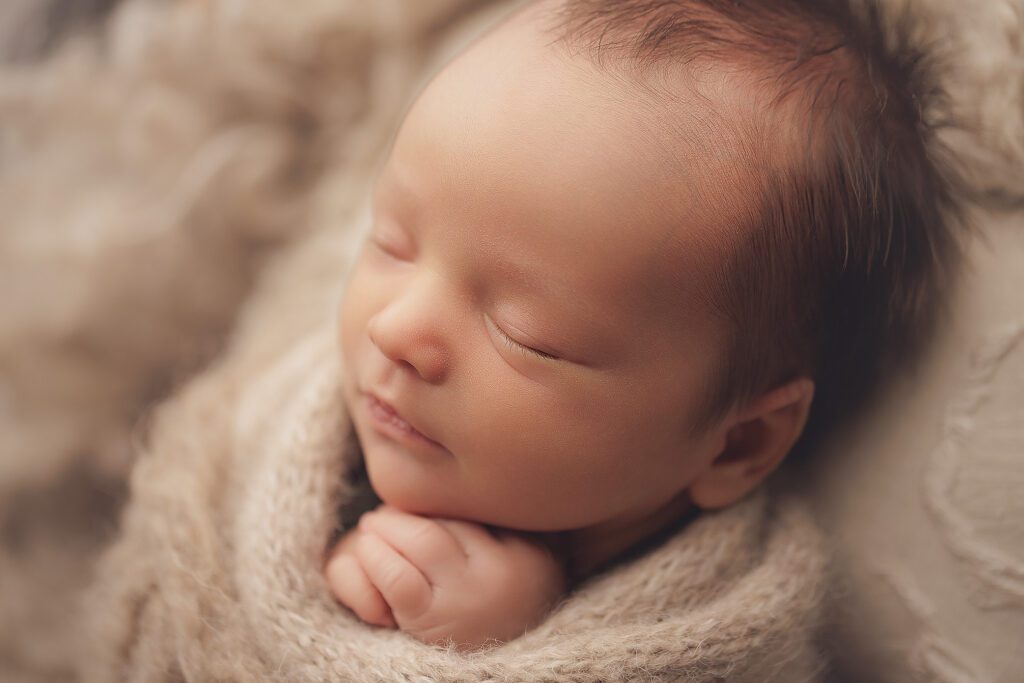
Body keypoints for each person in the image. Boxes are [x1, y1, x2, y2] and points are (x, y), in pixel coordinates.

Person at [323, 0, 965, 654]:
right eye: (391, 243)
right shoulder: (326, 397)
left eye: (525, 335)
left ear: (738, 443)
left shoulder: (722, 622)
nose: (394, 328)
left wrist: (508, 643)